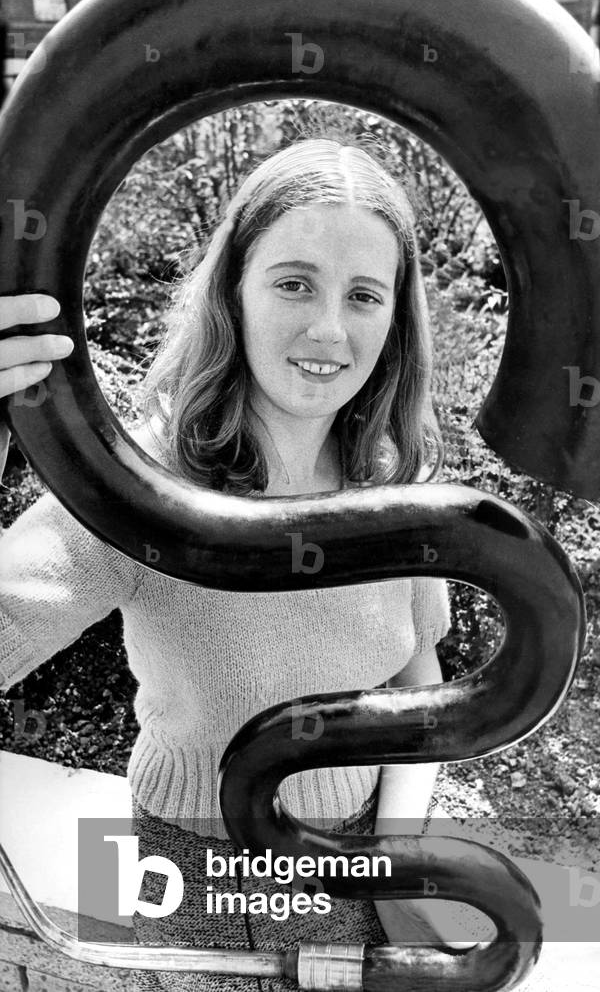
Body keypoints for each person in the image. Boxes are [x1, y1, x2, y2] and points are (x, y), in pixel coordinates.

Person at [0, 137, 491, 990]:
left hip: (355, 859)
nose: (328, 329)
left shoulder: (397, 484)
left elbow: (421, 679)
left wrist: (395, 870)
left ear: (393, 322)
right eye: (294, 282)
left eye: (364, 296)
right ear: (234, 288)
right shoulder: (141, 486)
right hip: (190, 866)